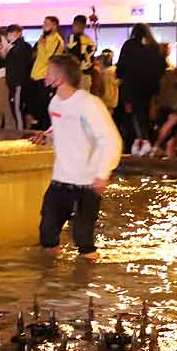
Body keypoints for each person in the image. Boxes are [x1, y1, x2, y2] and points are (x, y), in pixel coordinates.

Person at [30, 54, 120, 261]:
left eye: (49, 72)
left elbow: (110, 139)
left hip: (86, 184)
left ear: (59, 78)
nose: (45, 75)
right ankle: (51, 281)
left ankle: (84, 284)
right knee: (47, 234)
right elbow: (63, 129)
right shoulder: (55, 103)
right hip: (60, 180)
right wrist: (47, 137)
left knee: (84, 240)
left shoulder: (89, 104)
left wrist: (102, 174)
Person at [117, 22, 165, 156]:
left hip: (131, 88)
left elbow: (120, 69)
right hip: (150, 89)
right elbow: (161, 69)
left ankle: (135, 145)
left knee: (131, 118)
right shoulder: (154, 47)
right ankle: (147, 141)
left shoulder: (129, 45)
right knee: (146, 117)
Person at [28, 16, 66, 126]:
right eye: (43, 23)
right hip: (35, 76)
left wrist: (42, 45)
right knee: (35, 108)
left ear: (54, 26)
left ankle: (46, 134)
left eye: (47, 23)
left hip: (46, 78)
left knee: (44, 108)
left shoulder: (57, 40)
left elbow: (50, 59)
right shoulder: (43, 38)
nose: (44, 25)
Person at [3, 25, 33, 128]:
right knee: (17, 110)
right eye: (9, 34)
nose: (11, 36)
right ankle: (20, 131)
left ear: (19, 33)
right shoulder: (17, 47)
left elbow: (18, 65)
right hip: (16, 83)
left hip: (18, 83)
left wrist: (7, 51)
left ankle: (20, 133)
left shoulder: (20, 47)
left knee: (17, 110)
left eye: (13, 33)